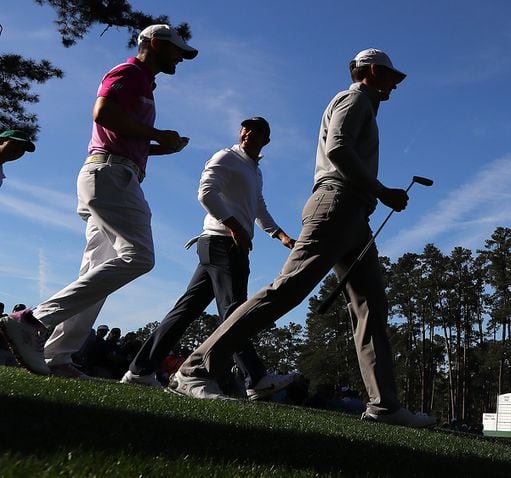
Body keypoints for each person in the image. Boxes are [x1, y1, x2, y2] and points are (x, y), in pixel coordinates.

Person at [170, 48, 436, 427]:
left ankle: (384, 405)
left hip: (353, 214)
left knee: (371, 306)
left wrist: (371, 196)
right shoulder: (355, 98)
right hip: (337, 205)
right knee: (288, 290)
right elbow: (338, 148)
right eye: (393, 76)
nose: (396, 84)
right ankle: (196, 368)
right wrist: (380, 190)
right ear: (374, 71)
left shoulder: (363, 104)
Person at [0, 24, 197, 378]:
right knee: (139, 257)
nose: (180, 58)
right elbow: (103, 113)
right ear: (155, 44)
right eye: (176, 51)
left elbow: (122, 136)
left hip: (112, 173)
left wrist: (158, 146)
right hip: (111, 177)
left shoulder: (143, 83)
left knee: (96, 272)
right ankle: (31, 319)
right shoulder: (129, 73)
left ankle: (58, 356)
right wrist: (157, 134)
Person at [120, 117, 300, 400]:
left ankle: (140, 370)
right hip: (222, 243)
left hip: (220, 246)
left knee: (186, 311)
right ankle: (255, 376)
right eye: (245, 128)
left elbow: (258, 206)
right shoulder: (227, 157)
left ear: (266, 140)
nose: (249, 133)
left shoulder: (254, 170)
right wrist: (236, 227)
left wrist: (280, 235)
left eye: (258, 131)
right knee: (235, 311)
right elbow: (206, 192)